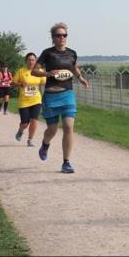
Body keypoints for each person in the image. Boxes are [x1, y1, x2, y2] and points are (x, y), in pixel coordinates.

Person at [30, 23, 89, 174]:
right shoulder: (47, 53)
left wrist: (80, 78)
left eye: (64, 35)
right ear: (53, 37)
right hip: (51, 96)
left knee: (68, 127)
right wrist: (47, 74)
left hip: (67, 94)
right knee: (52, 129)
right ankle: (45, 144)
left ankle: (66, 162)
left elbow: (74, 67)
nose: (62, 37)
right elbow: (34, 71)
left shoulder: (72, 53)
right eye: (58, 35)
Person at [13, 52, 46, 147]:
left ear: (36, 61)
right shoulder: (21, 71)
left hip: (36, 100)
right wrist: (20, 84)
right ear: (26, 61)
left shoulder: (39, 71)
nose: (31, 62)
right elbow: (13, 83)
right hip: (24, 101)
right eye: (29, 60)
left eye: (33, 60)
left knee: (34, 120)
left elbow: (44, 82)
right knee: (25, 123)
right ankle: (20, 130)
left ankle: (30, 140)